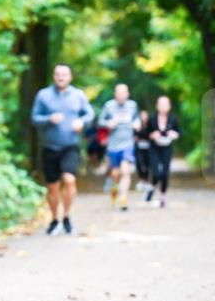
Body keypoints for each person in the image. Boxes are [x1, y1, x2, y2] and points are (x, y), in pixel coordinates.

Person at [31, 63, 95, 235]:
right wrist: (48, 119)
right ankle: (54, 219)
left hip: (70, 146)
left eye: (64, 74)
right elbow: (34, 118)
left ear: (70, 77)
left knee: (69, 180)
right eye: (58, 74)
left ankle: (66, 217)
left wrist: (82, 122)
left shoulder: (78, 95)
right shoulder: (43, 95)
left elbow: (90, 114)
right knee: (52, 186)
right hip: (49, 146)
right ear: (54, 76)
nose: (61, 77)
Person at [98, 84, 139, 211]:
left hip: (127, 143)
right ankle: (115, 189)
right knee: (115, 174)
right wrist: (108, 123)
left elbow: (136, 118)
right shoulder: (109, 106)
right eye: (118, 93)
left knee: (126, 171)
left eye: (124, 93)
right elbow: (100, 121)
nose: (121, 95)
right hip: (113, 145)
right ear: (115, 94)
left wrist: (137, 123)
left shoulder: (132, 105)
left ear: (128, 94)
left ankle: (123, 198)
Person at [146, 95, 180, 207]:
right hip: (154, 148)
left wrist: (175, 135)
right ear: (157, 106)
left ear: (169, 106)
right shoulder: (152, 119)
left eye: (165, 104)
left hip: (167, 148)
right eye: (161, 104)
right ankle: (151, 187)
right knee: (156, 172)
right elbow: (144, 133)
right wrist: (151, 135)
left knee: (165, 173)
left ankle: (162, 195)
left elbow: (179, 133)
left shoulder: (173, 119)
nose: (163, 107)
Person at [134, 108, 152, 191]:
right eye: (142, 115)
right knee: (139, 163)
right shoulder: (137, 125)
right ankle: (141, 180)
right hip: (139, 148)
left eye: (145, 115)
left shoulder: (150, 125)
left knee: (147, 165)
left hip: (148, 148)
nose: (143, 117)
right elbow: (134, 135)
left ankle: (146, 180)